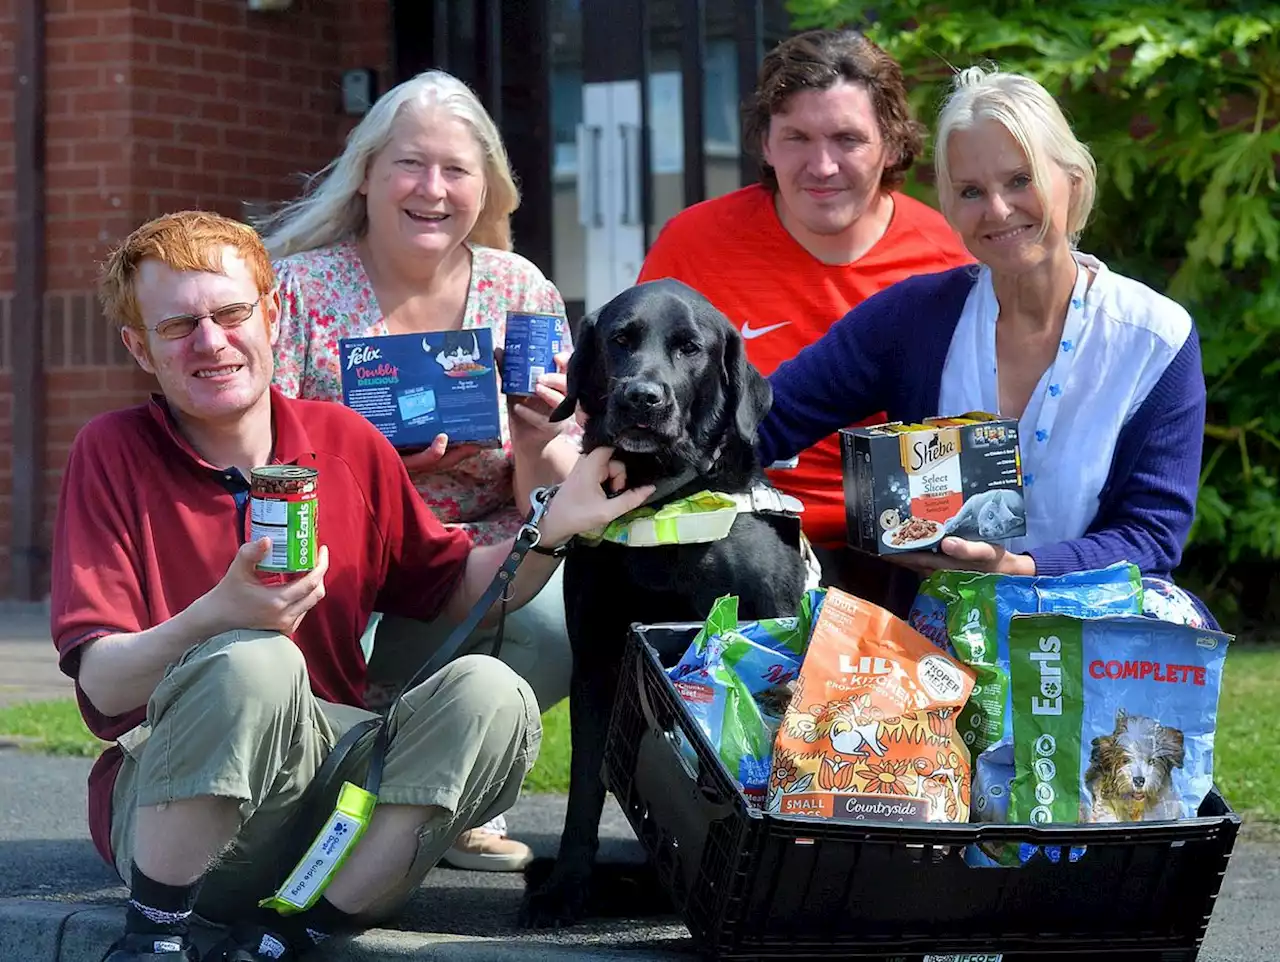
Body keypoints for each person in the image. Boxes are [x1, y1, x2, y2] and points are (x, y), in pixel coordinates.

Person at [51, 211, 654, 962]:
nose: (211, 342)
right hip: (174, 820)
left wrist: (552, 520)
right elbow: (104, 686)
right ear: (140, 347)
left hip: (337, 818)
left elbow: (453, 586)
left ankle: (293, 935)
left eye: (232, 313)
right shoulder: (111, 450)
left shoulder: (345, 439)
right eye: (178, 326)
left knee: (491, 691)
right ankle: (153, 940)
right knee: (254, 660)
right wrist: (219, 616)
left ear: (270, 314)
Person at [258, 70, 577, 871]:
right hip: (348, 562)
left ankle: (446, 798)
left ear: (486, 187)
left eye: (455, 170)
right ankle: (337, 791)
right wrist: (364, 465)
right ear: (366, 173)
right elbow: (253, 463)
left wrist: (540, 433)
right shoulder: (297, 291)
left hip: (484, 554)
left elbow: (547, 496)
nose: (431, 189)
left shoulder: (519, 290)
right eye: (409, 164)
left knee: (555, 618)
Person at [755, 67, 1212, 622]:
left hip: (1099, 644)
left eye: (1020, 180)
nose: (997, 210)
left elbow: (1150, 539)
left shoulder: (1155, 339)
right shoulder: (911, 318)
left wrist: (1017, 570)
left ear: (1072, 179)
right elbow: (764, 421)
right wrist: (634, 452)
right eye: (971, 191)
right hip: (940, 644)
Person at [637, 28, 973, 601]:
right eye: (796, 137)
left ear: (891, 144)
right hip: (728, 532)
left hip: (904, 552)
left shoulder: (949, 254)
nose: (822, 166)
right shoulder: (694, 244)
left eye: (848, 139)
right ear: (765, 144)